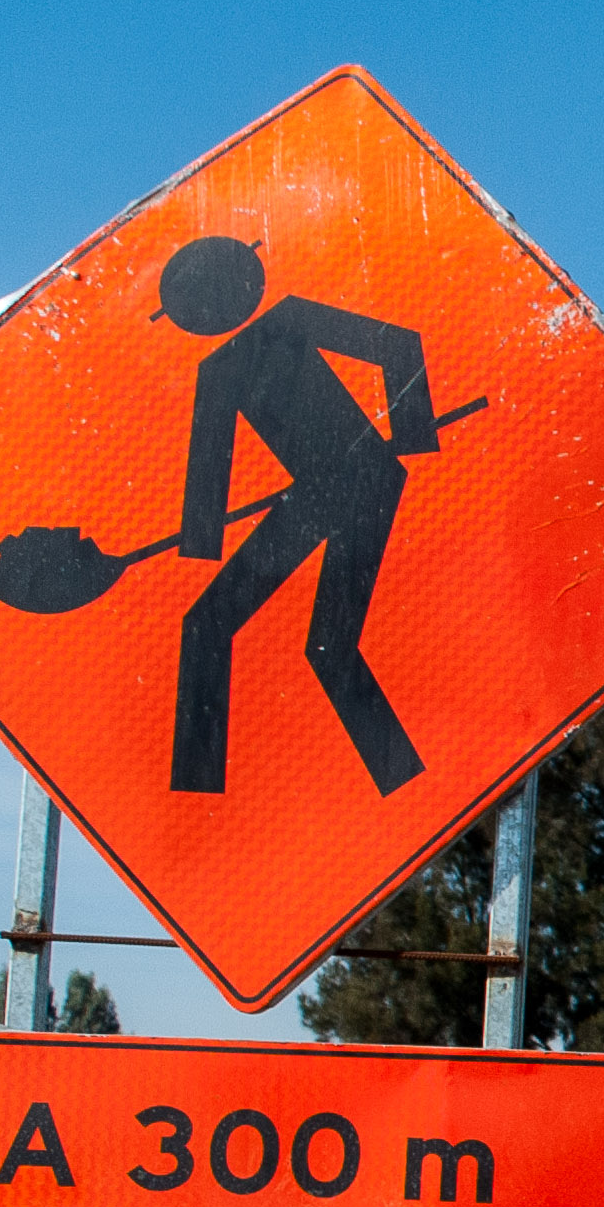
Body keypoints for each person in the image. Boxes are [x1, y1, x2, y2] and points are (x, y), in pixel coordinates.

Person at [158, 236, 439, 796]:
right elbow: (207, 486)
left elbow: (397, 344)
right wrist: (199, 540)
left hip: (361, 480)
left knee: (238, 629)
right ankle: (201, 795)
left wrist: (413, 436)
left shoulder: (287, 322)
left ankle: (405, 787)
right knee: (278, 637)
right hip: (327, 490)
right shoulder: (219, 372)